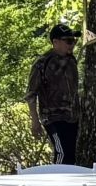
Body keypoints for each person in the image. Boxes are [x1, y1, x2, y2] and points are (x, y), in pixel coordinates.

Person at [25, 23, 80, 166]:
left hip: (72, 117)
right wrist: (35, 121)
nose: (72, 45)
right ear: (55, 42)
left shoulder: (71, 60)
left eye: (74, 41)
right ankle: (58, 182)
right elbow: (31, 94)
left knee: (72, 153)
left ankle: (71, 183)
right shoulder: (42, 63)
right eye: (68, 41)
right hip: (52, 117)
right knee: (61, 152)